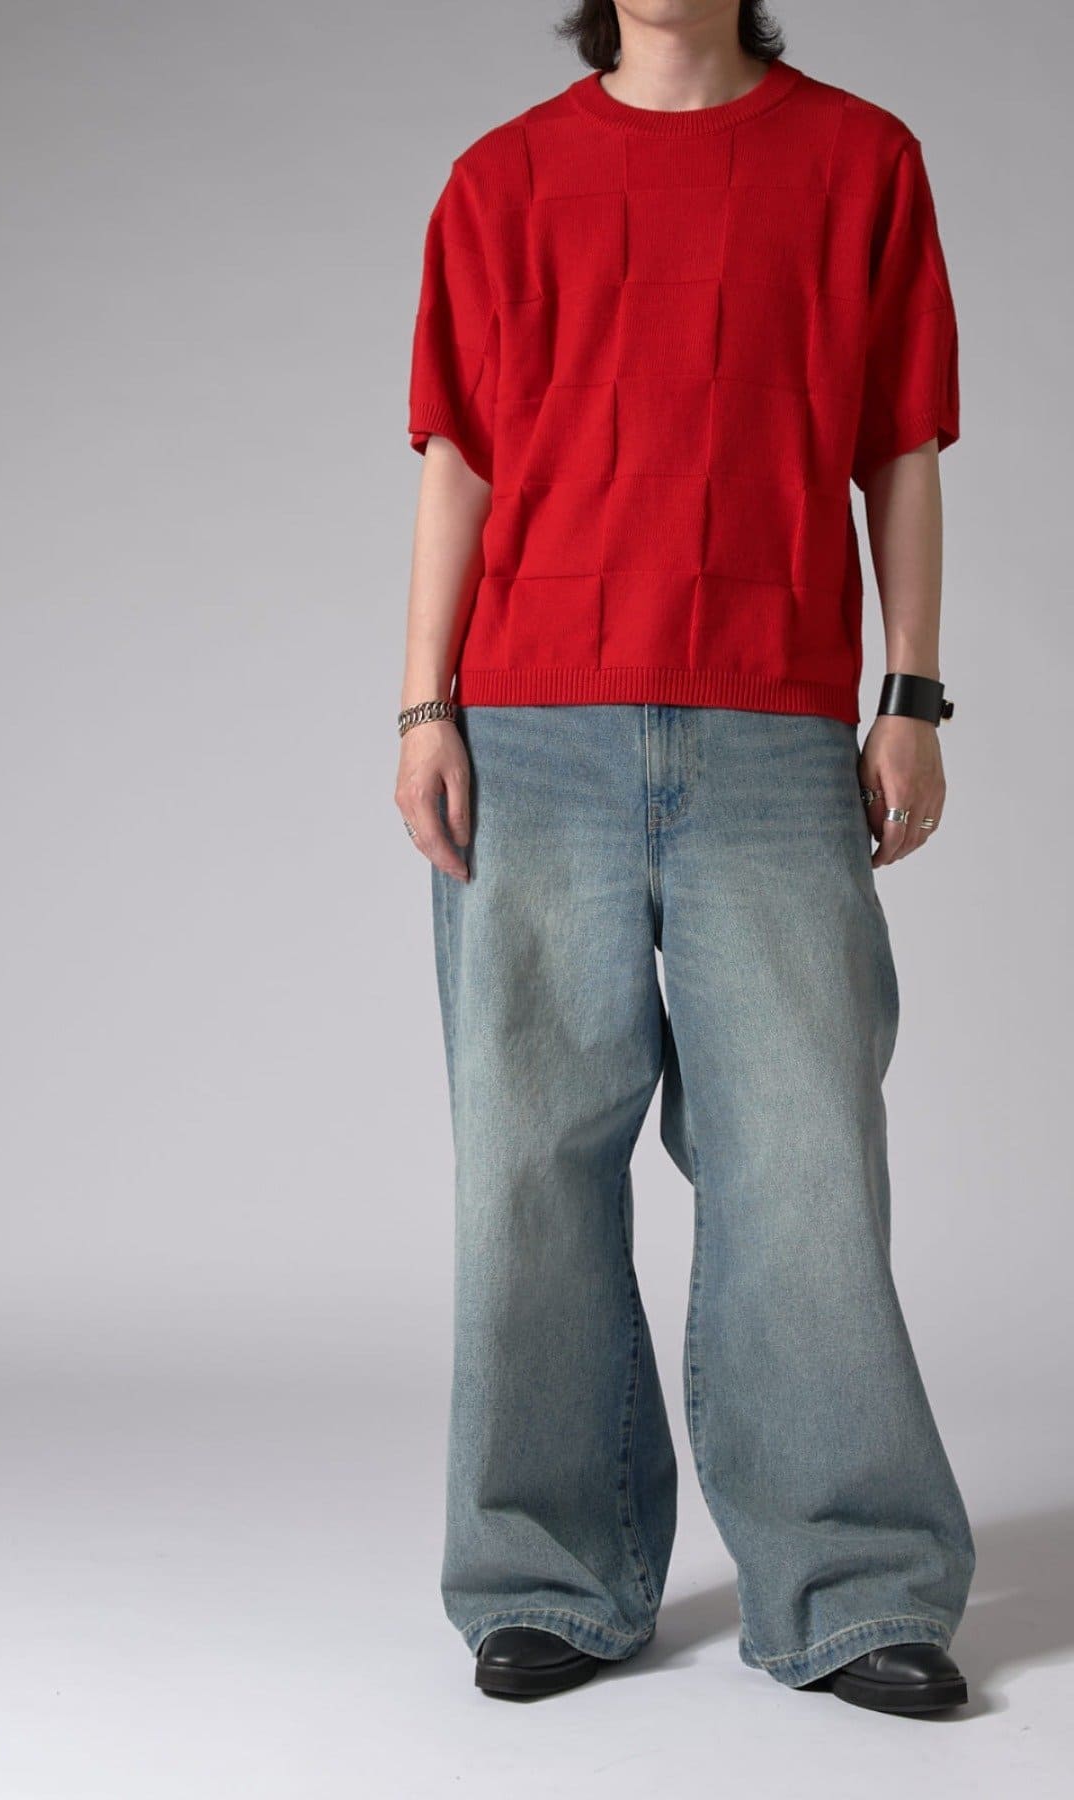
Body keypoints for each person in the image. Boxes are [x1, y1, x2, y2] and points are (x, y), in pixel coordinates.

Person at [394, 0, 974, 1717]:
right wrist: (422, 705)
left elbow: (900, 444)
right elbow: (460, 461)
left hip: (771, 728)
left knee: (805, 1156)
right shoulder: (501, 181)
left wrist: (911, 693)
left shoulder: (861, 163)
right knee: (525, 1166)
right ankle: (545, 1577)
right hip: (532, 729)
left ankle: (855, 1585)